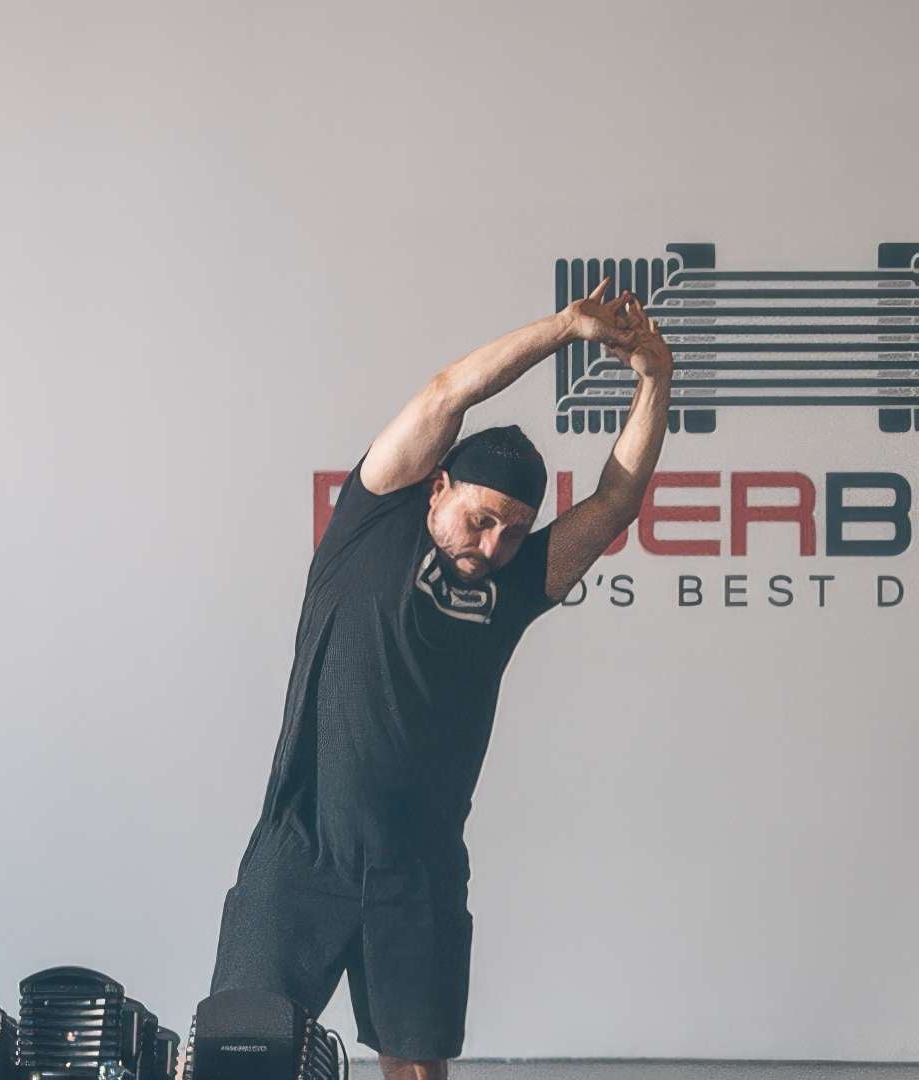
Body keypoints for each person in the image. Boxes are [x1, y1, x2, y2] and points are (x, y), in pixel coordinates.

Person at [209, 280, 673, 1079]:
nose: (493, 543)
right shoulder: (371, 520)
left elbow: (617, 498)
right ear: (438, 488)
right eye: (480, 518)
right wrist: (564, 329)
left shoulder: (520, 582)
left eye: (513, 530)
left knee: (417, 1073)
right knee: (234, 1060)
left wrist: (655, 379)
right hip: (300, 851)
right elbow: (448, 390)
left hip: (419, 868)